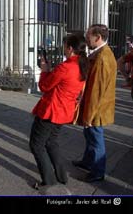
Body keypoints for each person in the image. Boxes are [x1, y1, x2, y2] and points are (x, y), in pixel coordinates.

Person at [29, 34, 89, 188]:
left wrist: (44, 70)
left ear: (70, 48)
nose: (63, 48)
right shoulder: (82, 65)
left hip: (52, 111)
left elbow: (44, 86)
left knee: (36, 144)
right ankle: (62, 175)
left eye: (65, 45)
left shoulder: (66, 67)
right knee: (51, 142)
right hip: (65, 110)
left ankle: (49, 180)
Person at [73, 24, 117, 183]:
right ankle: (87, 162)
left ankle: (98, 171)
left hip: (96, 109)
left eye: (88, 36)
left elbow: (96, 92)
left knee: (95, 137)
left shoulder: (103, 58)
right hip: (95, 107)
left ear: (98, 38)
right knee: (90, 136)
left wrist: (89, 116)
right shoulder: (100, 53)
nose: (86, 39)